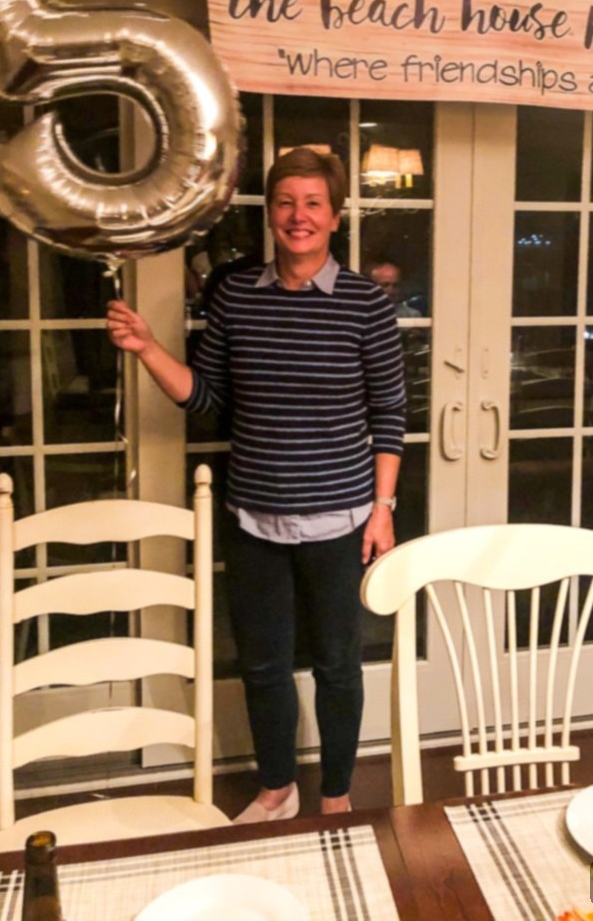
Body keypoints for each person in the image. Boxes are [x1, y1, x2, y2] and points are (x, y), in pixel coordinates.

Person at [106, 148, 406, 821]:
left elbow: (390, 414)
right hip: (253, 521)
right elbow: (206, 397)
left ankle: (335, 793)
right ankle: (277, 787)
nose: (298, 216)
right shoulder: (237, 294)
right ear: (270, 212)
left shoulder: (364, 303)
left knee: (336, 665)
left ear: (334, 216)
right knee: (264, 665)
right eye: (285, 202)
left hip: (341, 521)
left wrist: (382, 509)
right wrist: (149, 347)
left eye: (312, 203)